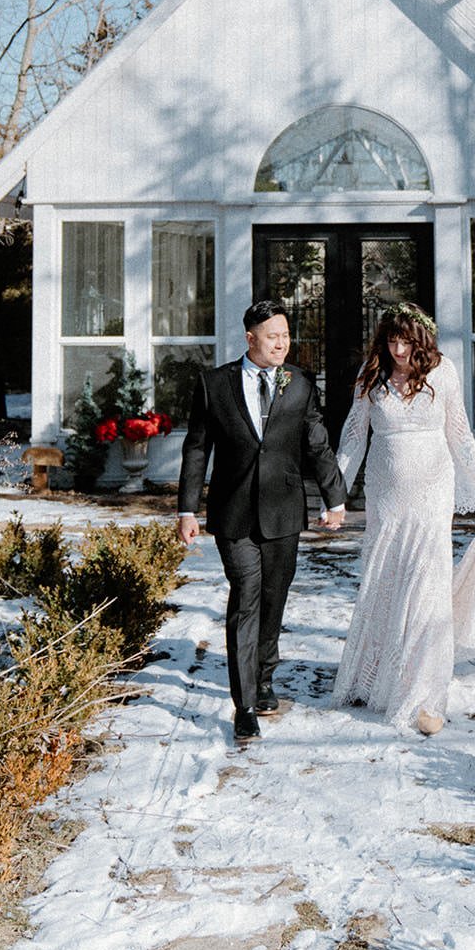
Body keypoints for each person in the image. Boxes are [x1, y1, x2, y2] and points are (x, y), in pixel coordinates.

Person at [332, 303, 475, 736]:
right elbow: (355, 435)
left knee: (425, 586)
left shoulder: (444, 372)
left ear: (422, 340)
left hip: (433, 491)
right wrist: (335, 492)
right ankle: (374, 673)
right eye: (392, 340)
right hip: (386, 493)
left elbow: (460, 435)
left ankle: (425, 694)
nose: (398, 350)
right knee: (384, 579)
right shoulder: (371, 374)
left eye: (406, 341)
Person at [177, 299, 346, 741]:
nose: (282, 344)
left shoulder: (301, 384)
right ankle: (245, 704)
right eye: (273, 336)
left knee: (274, 599)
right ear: (250, 338)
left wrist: (335, 498)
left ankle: (265, 676)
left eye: (286, 335)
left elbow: (317, 445)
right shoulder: (214, 384)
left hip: (284, 511)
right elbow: (197, 448)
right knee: (246, 597)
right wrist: (186, 509)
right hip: (232, 514)